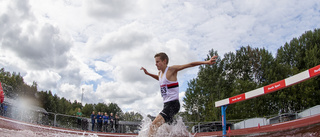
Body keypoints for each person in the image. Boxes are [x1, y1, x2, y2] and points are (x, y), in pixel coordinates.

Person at [140, 52, 217, 136]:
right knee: (168, 131)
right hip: (166, 105)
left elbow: (189, 64)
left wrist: (206, 62)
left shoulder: (171, 70)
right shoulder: (160, 74)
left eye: (158, 62)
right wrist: (148, 74)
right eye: (155, 62)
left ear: (164, 61)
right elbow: (159, 79)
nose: (156, 64)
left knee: (153, 126)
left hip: (173, 104)